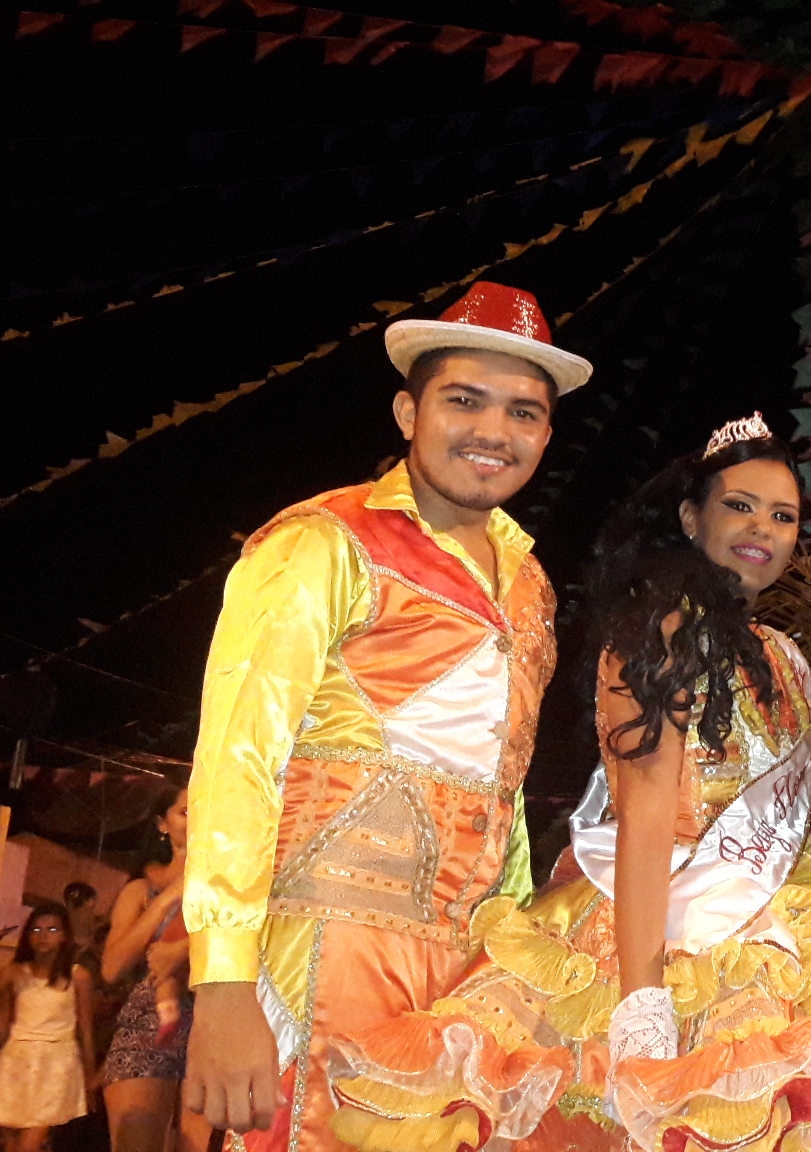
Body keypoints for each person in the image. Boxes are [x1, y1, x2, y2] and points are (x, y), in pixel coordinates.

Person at [324, 417, 811, 1152]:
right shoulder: (658, 634)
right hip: (650, 929)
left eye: (783, 516)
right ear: (690, 518)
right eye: (739, 505)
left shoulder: (786, 659)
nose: (762, 529)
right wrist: (641, 1000)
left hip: (766, 924)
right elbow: (643, 819)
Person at [181, 281, 589, 1150]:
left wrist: (514, 953)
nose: (493, 430)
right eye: (464, 400)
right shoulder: (322, 541)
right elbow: (238, 757)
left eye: (523, 412)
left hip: (471, 976)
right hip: (327, 951)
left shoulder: (530, 584)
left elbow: (507, 785)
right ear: (409, 411)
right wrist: (222, 980)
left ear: (546, 435)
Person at [102, 787, 210, 1152]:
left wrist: (184, 950)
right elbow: (112, 968)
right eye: (185, 812)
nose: (196, 818)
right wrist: (168, 897)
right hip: (149, 1024)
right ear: (162, 824)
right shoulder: (141, 889)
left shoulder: (228, 884)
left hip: (210, 1019)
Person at [0, 903, 95, 1152]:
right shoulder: (15, 973)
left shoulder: (77, 976)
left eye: (52, 929)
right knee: (11, 1143)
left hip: (57, 1061)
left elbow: (85, 1030)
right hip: (16, 1060)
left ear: (65, 935)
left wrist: (89, 1076)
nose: (43, 936)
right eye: (37, 929)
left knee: (31, 1142)